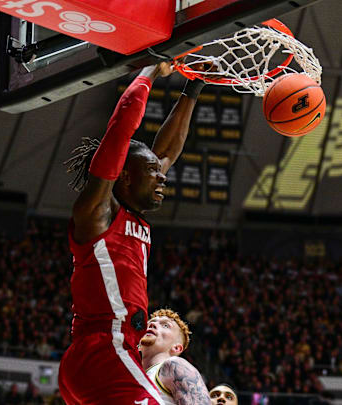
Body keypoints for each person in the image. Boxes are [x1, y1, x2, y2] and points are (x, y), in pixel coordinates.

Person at [60, 61, 209, 405]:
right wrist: (150, 71)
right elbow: (120, 131)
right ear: (124, 175)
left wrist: (194, 87)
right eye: (153, 172)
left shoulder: (132, 213)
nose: (163, 176)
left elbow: (169, 150)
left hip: (103, 356)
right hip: (104, 349)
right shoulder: (98, 210)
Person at [140, 309, 210, 404]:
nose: (152, 325)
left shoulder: (174, 365)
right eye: (149, 323)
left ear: (176, 347)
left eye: (165, 325)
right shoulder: (129, 377)